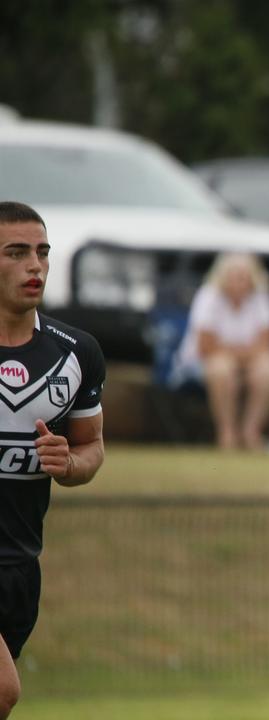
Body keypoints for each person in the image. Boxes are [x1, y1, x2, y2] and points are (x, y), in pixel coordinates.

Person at [0, 202, 106, 718]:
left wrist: (69, 464)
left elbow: (91, 448)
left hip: (20, 564)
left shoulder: (76, 353)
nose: (35, 266)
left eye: (41, 252)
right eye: (16, 253)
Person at [170, 252, 269, 451]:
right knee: (222, 368)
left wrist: (234, 354)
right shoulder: (208, 296)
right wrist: (243, 353)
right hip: (200, 364)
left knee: (268, 367)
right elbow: (206, 347)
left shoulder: (261, 297)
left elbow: (266, 344)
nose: (238, 282)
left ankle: (251, 431)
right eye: (234, 276)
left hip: (242, 361)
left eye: (244, 277)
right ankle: (226, 433)